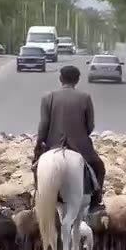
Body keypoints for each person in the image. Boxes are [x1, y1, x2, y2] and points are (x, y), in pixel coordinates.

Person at [34, 64, 106, 214]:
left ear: (60, 78)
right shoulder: (85, 98)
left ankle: (38, 195)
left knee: (36, 167)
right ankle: (95, 201)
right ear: (78, 80)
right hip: (80, 146)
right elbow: (90, 126)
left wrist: (39, 142)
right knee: (99, 167)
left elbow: (43, 125)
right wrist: (79, 133)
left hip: (53, 145)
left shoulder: (48, 97)